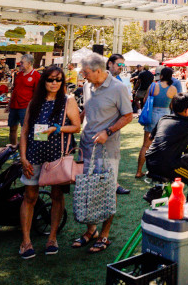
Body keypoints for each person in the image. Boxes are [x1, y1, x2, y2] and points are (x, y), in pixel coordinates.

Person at [17, 65, 80, 259]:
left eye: (58, 80)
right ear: (43, 81)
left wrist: (56, 128)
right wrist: (23, 156)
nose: (54, 83)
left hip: (57, 155)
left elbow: (77, 127)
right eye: (50, 79)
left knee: (57, 196)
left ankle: (52, 238)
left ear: (62, 82)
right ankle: (25, 241)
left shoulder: (68, 100)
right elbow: (25, 130)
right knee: (30, 195)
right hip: (35, 154)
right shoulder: (34, 102)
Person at [74, 54, 135, 254]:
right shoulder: (87, 86)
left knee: (108, 191)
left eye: (86, 72)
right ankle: (90, 230)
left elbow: (128, 116)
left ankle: (104, 235)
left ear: (98, 70)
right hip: (86, 147)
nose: (83, 76)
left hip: (107, 150)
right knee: (88, 189)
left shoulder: (118, 88)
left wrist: (107, 132)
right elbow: (87, 111)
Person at [135, 66, 180, 179]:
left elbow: (145, 100)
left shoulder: (154, 85)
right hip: (166, 116)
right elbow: (173, 105)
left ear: (161, 75)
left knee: (146, 145)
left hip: (152, 115)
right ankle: (159, 171)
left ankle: (139, 171)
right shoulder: (173, 89)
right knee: (163, 145)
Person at [8, 54, 39, 150]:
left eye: (22, 62)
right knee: (12, 128)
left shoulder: (36, 75)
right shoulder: (19, 74)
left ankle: (25, 151)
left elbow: (37, 93)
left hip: (25, 107)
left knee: (25, 130)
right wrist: (9, 104)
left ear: (29, 63)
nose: (19, 64)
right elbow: (15, 89)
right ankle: (13, 149)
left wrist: (33, 107)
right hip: (14, 106)